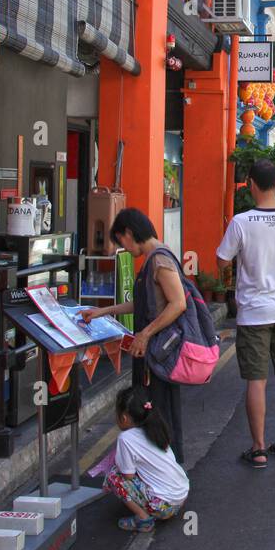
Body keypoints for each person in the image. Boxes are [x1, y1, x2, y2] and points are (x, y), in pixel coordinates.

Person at [81, 208, 189, 463]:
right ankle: (159, 464)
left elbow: (178, 303)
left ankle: (165, 467)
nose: (125, 249)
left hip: (160, 353)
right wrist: (103, 311)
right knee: (154, 408)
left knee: (159, 410)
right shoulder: (153, 259)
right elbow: (143, 303)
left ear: (128, 233)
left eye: (122, 242)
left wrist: (145, 334)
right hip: (153, 352)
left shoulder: (160, 261)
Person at [217, 159, 275, 469]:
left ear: (251, 183)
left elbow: (223, 260)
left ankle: (258, 448)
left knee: (257, 380)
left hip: (254, 313)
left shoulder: (241, 222)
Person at [102, 386, 189, 532]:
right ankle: (160, 507)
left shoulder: (125, 438)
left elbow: (128, 475)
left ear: (123, 417)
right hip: (181, 495)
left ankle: (144, 519)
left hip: (165, 506)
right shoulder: (155, 428)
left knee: (113, 476)